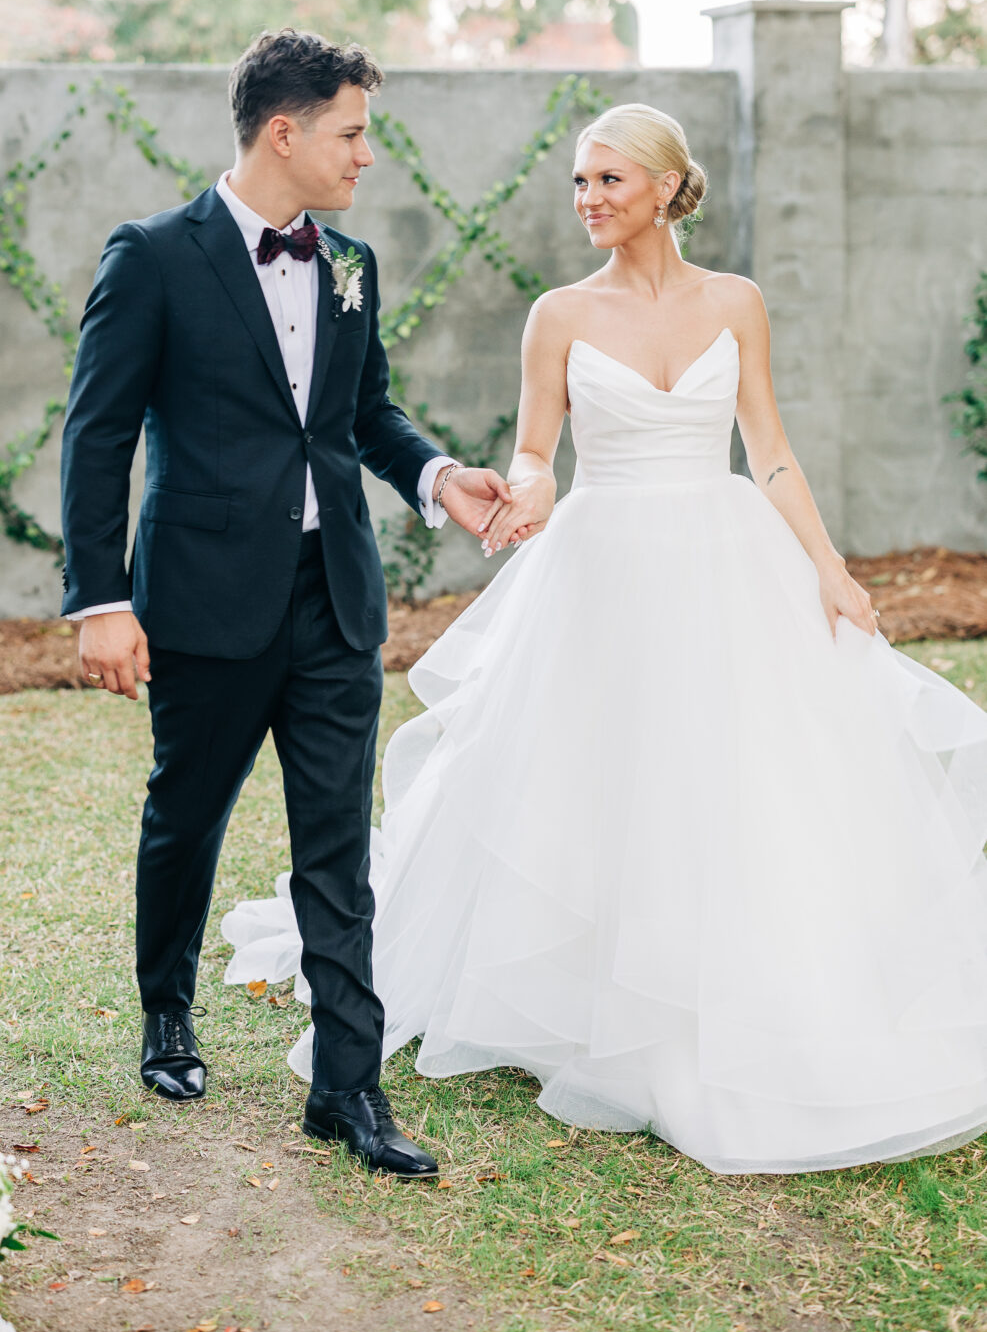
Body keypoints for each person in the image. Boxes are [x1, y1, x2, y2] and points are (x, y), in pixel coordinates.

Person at [222, 101, 987, 1175]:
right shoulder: (558, 315)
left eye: (607, 181)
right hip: (601, 562)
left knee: (736, 777)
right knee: (600, 775)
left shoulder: (737, 303)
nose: (586, 200)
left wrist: (829, 570)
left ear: (668, 189)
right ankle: (592, 993)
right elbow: (537, 448)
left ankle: (739, 977)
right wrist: (521, 492)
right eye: (578, 182)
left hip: (724, 558)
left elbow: (767, 450)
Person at [59, 28, 515, 1180]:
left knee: (336, 847)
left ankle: (346, 1089)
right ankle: (167, 1012)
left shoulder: (351, 264)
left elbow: (365, 415)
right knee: (186, 814)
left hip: (334, 604)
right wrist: (99, 599)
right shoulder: (154, 256)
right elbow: (98, 435)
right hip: (204, 602)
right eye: (352, 133)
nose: (366, 155)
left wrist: (434, 476)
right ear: (285, 131)